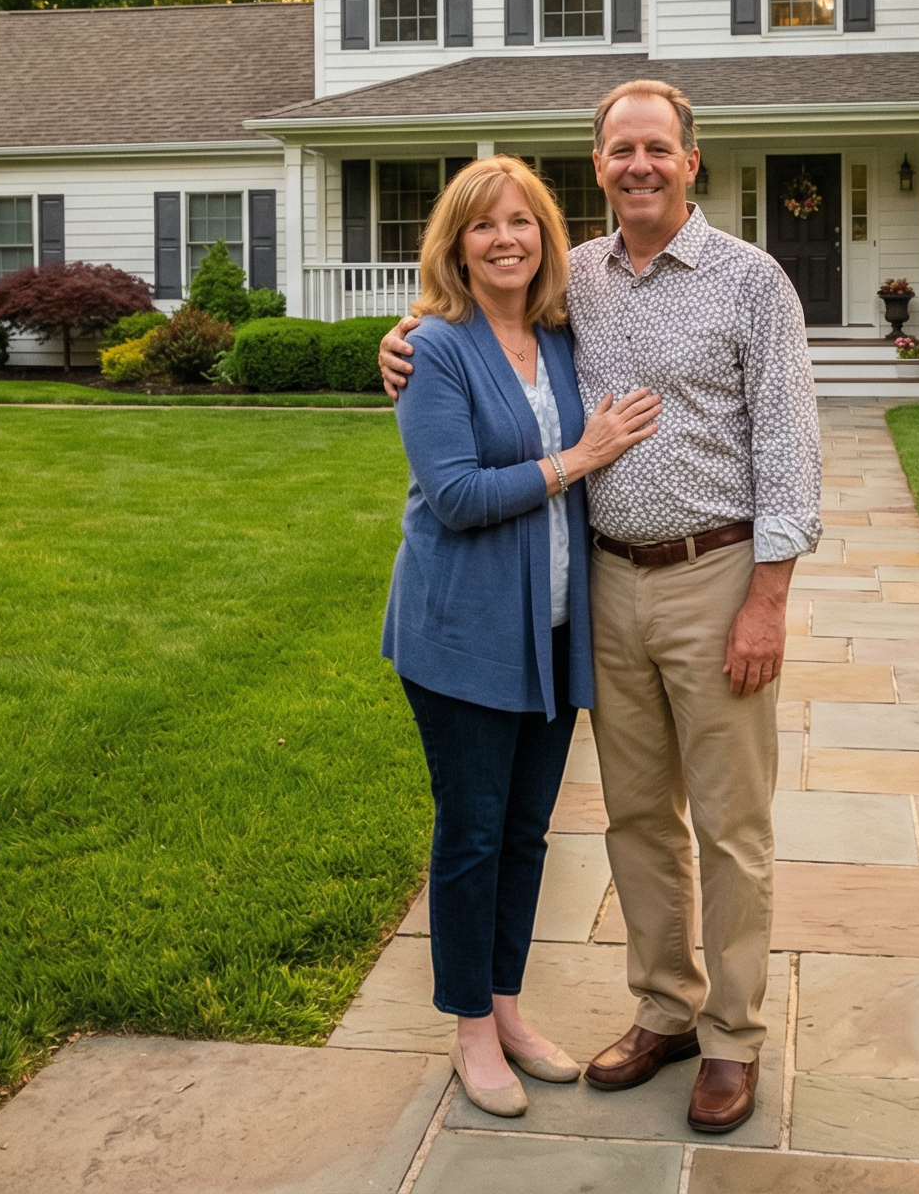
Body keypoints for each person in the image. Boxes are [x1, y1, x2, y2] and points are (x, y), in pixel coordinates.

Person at [381, 82, 821, 1135]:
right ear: (597, 163)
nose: (638, 165)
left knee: (731, 824)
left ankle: (731, 1037)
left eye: (656, 148)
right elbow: (467, 319)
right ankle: (665, 1008)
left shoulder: (752, 283)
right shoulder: (571, 275)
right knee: (634, 819)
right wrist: (395, 343)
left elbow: (791, 455)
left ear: (691, 159)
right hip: (604, 586)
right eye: (620, 149)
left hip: (716, 578)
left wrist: (767, 598)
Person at [384, 155, 663, 1117]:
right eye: (483, 225)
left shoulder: (559, 336)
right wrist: (576, 460)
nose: (506, 239)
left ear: (547, 236)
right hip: (461, 634)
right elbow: (455, 496)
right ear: (454, 246)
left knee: (526, 833)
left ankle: (505, 1009)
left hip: (549, 634)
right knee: (470, 835)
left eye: (523, 222)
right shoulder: (433, 348)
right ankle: (467, 1030)